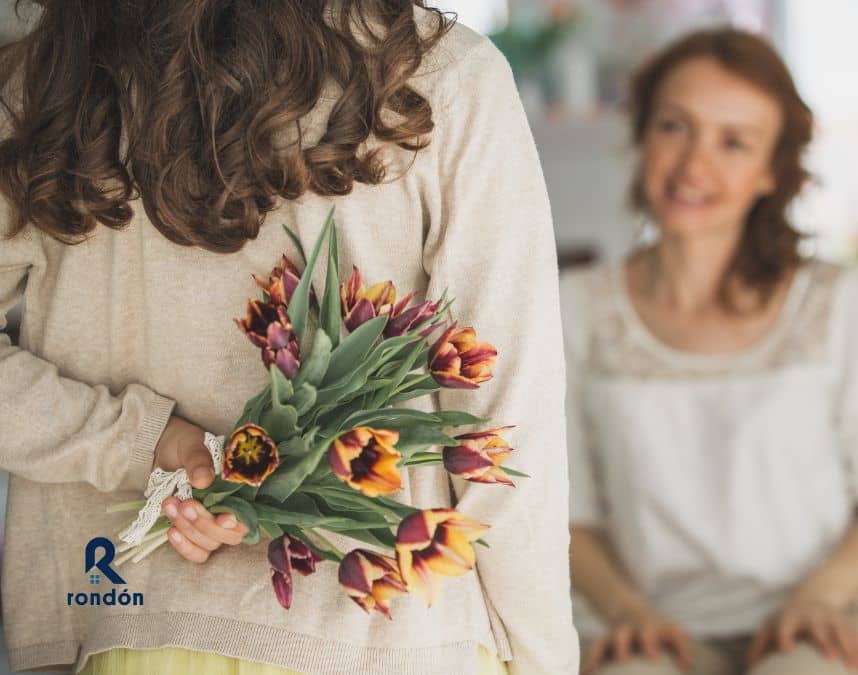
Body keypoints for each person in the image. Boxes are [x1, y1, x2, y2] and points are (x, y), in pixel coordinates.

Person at [0, 1, 577, 673]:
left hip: (126, 621)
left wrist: (140, 442)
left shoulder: (48, 83)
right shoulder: (439, 77)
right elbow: (505, 421)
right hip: (389, 640)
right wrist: (544, 658)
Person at [560, 28, 858, 675]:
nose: (693, 166)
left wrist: (819, 597)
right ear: (643, 134)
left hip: (833, 613)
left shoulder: (837, 298)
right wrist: (624, 609)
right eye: (675, 127)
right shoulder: (574, 303)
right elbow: (564, 511)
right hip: (650, 623)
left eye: (734, 141)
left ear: (773, 169)